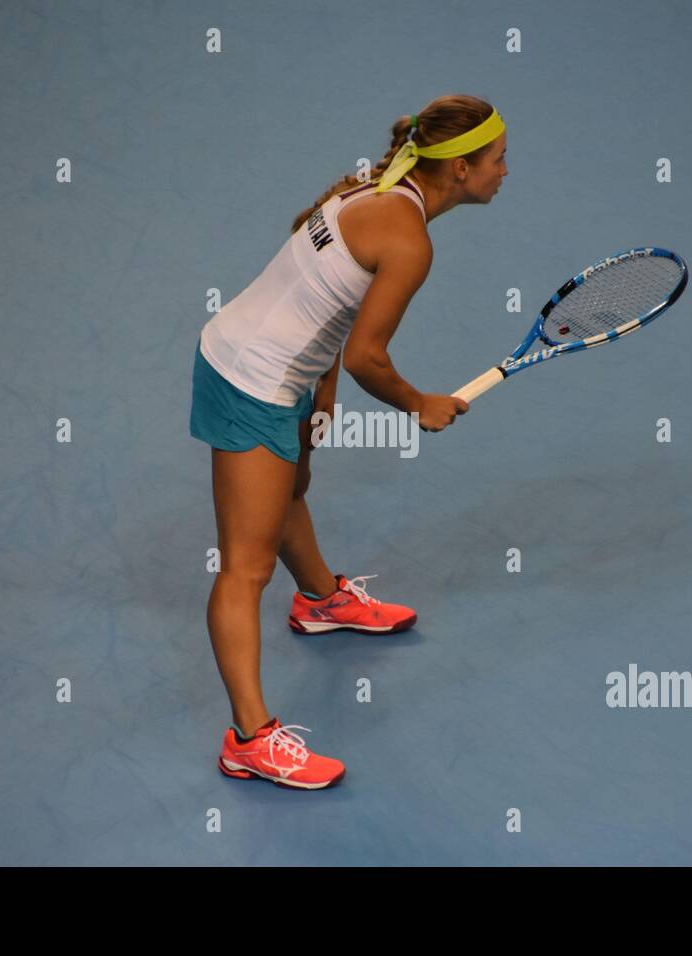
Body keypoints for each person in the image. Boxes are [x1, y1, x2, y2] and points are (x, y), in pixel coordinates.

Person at [190, 94, 508, 789]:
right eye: (496, 159)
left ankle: (319, 600)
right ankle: (249, 738)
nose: (505, 171)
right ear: (458, 171)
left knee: (292, 490)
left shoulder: (374, 185)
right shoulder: (410, 242)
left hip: (281, 368)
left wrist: (320, 385)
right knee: (244, 569)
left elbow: (321, 285)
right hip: (252, 382)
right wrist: (417, 403)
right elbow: (370, 355)